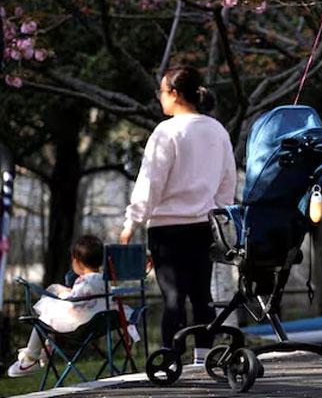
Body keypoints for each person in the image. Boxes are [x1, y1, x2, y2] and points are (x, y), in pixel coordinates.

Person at [120, 65, 236, 364]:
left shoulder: (166, 131)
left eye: (161, 92)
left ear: (174, 93)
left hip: (167, 228)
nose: (160, 98)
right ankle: (203, 356)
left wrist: (132, 221)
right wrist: (220, 214)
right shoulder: (217, 130)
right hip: (204, 225)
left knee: (174, 297)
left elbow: (150, 182)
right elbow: (228, 179)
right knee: (202, 295)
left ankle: (172, 356)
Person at [7, 235, 106, 377]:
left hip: (79, 326)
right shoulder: (104, 279)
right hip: (98, 323)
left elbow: (74, 307)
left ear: (77, 262)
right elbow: (86, 298)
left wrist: (62, 296)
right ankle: (45, 346)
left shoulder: (83, 282)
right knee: (54, 291)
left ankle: (31, 358)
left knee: (43, 318)